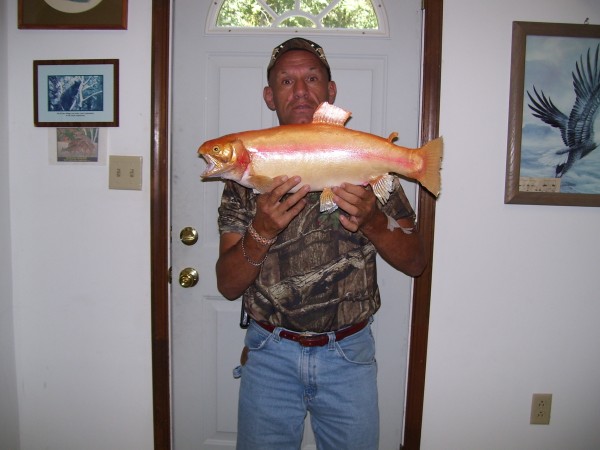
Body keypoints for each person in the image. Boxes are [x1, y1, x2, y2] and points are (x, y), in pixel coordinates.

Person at [215, 37, 426, 450]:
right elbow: (227, 285)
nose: (300, 90)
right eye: (286, 80)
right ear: (269, 95)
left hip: (348, 356)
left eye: (312, 78)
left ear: (331, 92)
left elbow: (416, 261)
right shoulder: (244, 179)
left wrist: (374, 224)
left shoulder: (365, 161)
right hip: (269, 353)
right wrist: (261, 230)